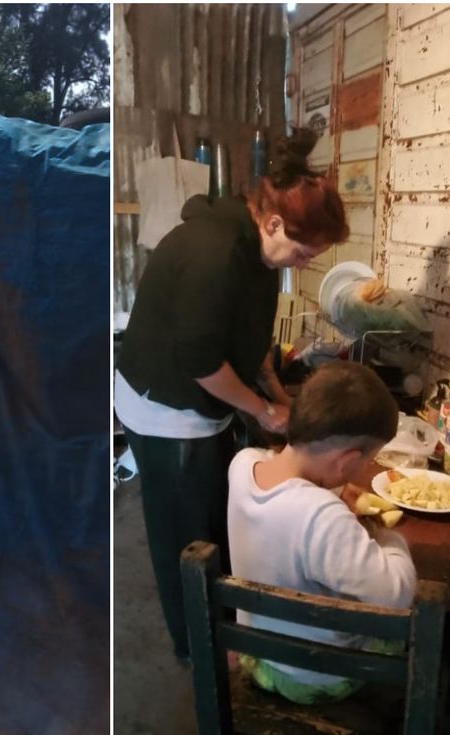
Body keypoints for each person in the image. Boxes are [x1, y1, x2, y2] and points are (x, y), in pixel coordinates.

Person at [116, 128, 349, 663]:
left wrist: (271, 389)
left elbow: (248, 337)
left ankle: (219, 623)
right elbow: (202, 362)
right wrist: (264, 410)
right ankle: (194, 648)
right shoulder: (215, 253)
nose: (304, 262)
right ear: (272, 222)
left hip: (202, 395)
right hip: (165, 409)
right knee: (184, 536)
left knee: (214, 514)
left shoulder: (261, 253)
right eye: (304, 250)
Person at [226, 362, 417, 704]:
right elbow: (397, 593)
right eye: (367, 460)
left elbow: (292, 504)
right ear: (346, 461)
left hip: (256, 654)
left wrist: (333, 492)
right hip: (312, 678)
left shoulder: (243, 464)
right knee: (403, 635)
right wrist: (386, 535)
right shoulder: (322, 517)